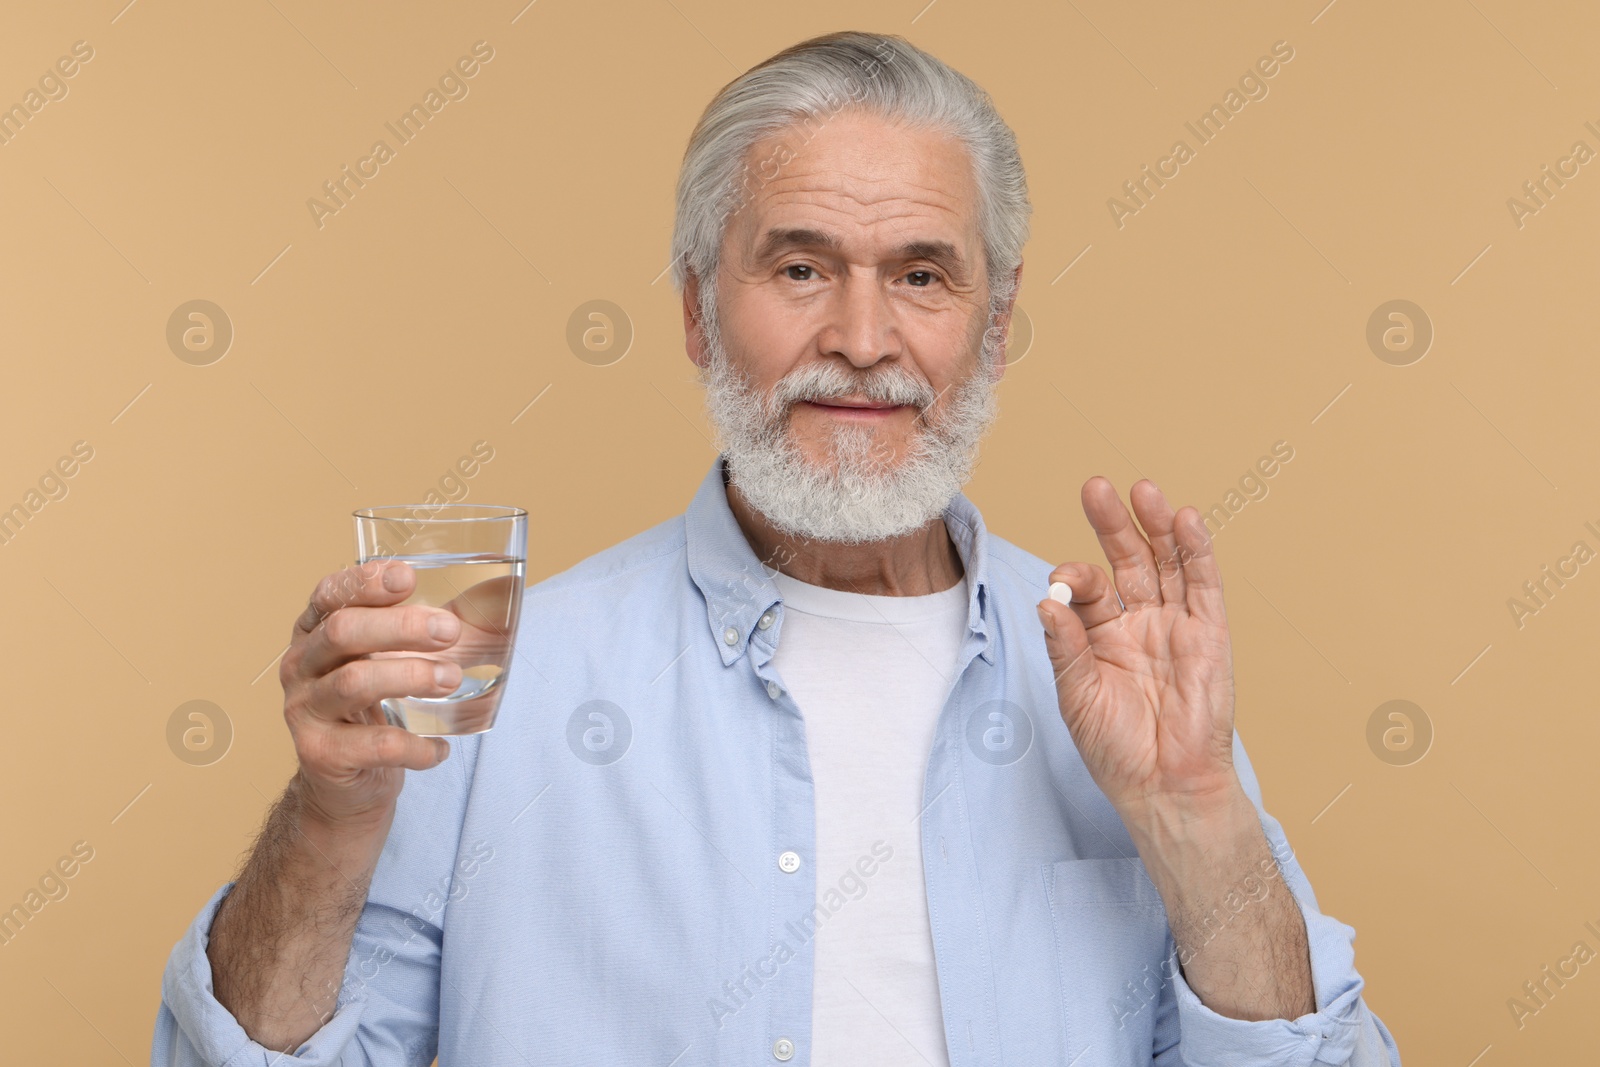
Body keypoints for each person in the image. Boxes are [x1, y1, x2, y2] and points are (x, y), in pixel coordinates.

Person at [153, 30, 1401, 1066]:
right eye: (800, 266)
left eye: (922, 276)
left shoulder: (1121, 674)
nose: (861, 337)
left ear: (996, 324)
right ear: (698, 310)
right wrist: (330, 819)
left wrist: (1200, 820)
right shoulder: (491, 678)